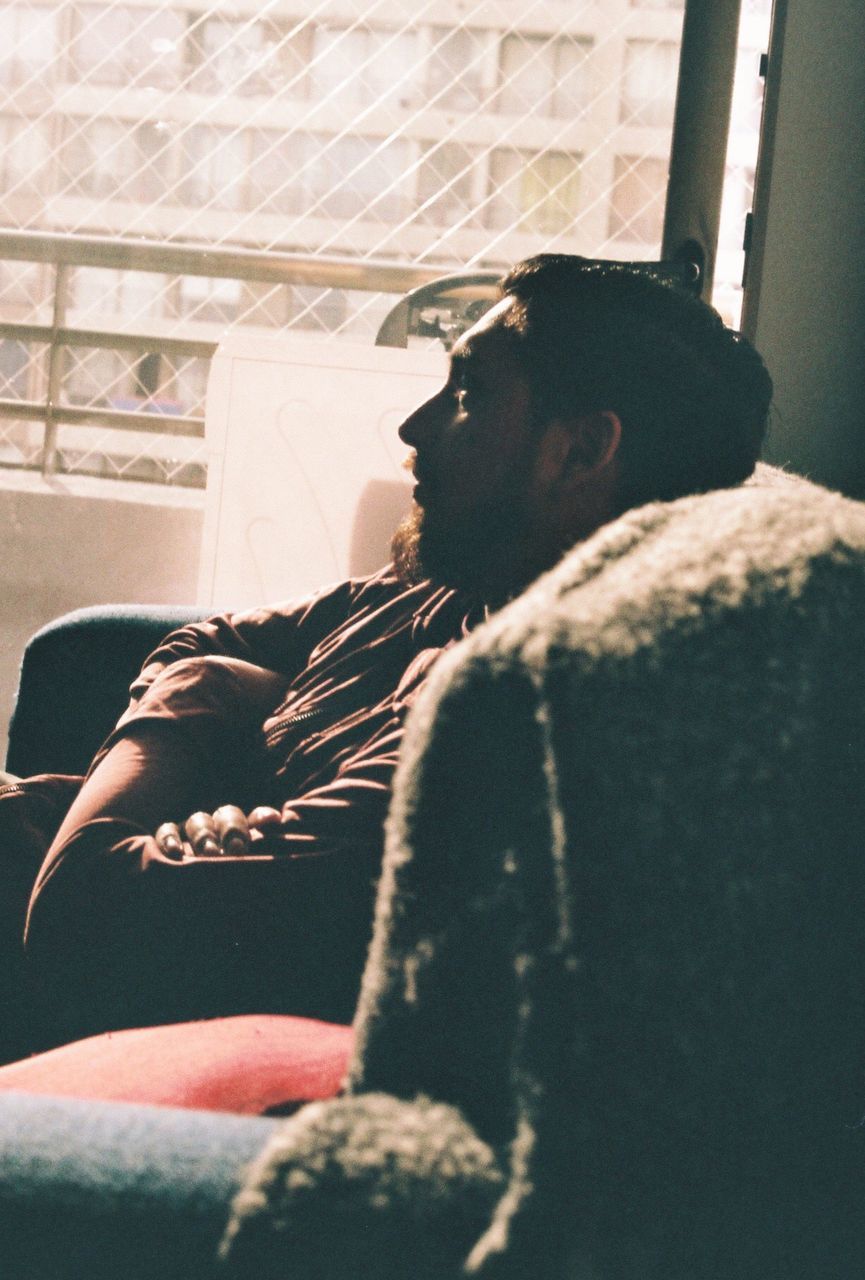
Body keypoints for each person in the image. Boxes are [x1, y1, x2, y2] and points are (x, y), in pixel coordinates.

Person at [7, 254, 771, 1055]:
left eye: (468, 393)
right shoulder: (451, 583)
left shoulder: (490, 720)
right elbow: (209, 639)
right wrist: (213, 752)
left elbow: (76, 916)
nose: (414, 427)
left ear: (579, 453)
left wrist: (206, 697)